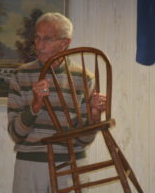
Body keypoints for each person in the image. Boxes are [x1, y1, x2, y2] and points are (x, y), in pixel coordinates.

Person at [7, 12, 106, 193]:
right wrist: (35, 106)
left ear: (65, 43)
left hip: (70, 163)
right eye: (37, 38)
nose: (39, 45)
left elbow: (84, 140)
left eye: (47, 39)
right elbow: (15, 133)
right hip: (30, 164)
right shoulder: (20, 76)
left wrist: (93, 115)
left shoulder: (84, 77)